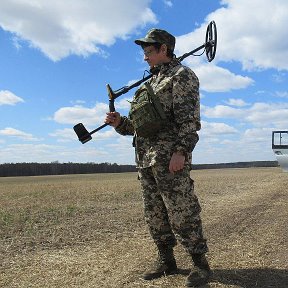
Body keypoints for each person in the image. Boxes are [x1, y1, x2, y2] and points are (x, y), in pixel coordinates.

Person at [105, 28, 211, 287]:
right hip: (145, 160)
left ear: (164, 49)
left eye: (148, 51)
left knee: (182, 211)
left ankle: (200, 265)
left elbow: (189, 121)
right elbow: (141, 127)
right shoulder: (150, 83)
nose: (144, 58)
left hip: (169, 159)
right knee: (155, 214)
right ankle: (167, 261)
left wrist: (180, 152)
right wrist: (120, 123)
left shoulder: (182, 76)